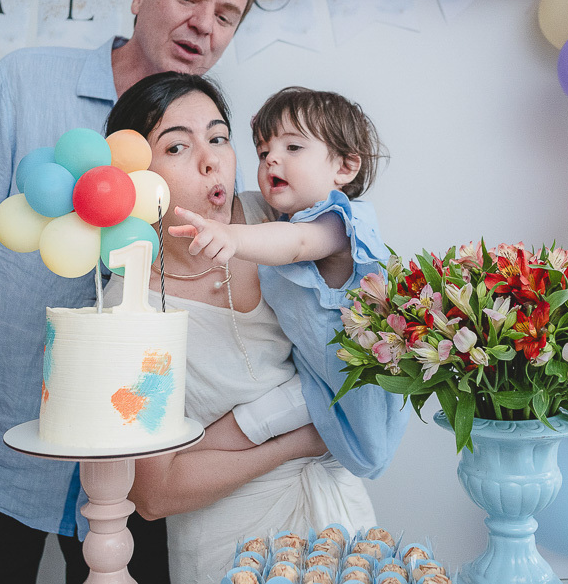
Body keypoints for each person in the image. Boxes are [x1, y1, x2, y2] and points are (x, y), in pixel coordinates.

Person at [0, 0, 256, 584]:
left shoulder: (214, 139)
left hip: (142, 469)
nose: (202, 23)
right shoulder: (22, 84)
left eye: (225, 14)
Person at [102, 73, 377, 584]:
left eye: (220, 137)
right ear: (136, 175)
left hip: (338, 517)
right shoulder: (129, 303)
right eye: (178, 146)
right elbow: (155, 494)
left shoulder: (278, 217)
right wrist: (306, 438)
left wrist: (216, 441)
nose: (210, 160)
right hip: (228, 545)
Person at [170, 86, 409, 478]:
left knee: (254, 420)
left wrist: (230, 236)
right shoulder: (283, 220)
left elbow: (297, 245)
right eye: (263, 152)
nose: (271, 160)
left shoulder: (342, 223)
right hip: (313, 373)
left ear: (345, 168)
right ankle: (188, 454)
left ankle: (189, 450)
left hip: (347, 381)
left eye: (293, 148)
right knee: (257, 415)